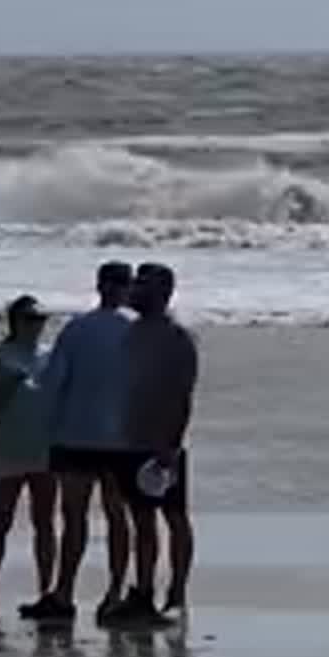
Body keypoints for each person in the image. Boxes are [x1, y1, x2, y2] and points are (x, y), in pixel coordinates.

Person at [31, 261, 137, 625]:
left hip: (75, 434)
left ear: (99, 286)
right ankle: (115, 592)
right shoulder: (133, 331)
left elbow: (53, 382)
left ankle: (64, 592)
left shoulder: (76, 329)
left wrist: (45, 428)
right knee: (116, 515)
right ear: (127, 289)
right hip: (120, 438)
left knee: (73, 517)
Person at [114, 262, 198, 628]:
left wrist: (172, 444)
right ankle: (144, 590)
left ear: (162, 293)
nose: (133, 291)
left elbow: (183, 395)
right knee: (141, 520)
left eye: (142, 285)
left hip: (163, 441)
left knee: (174, 517)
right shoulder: (130, 333)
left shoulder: (177, 338)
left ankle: (177, 591)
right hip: (130, 439)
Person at [0, 296, 59, 612]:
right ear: (16, 322)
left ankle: (47, 587)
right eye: (31, 319)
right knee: (0, 520)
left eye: (41, 319)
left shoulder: (50, 356)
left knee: (44, 521)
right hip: (7, 449)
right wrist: (9, 383)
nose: (37, 325)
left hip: (44, 448)